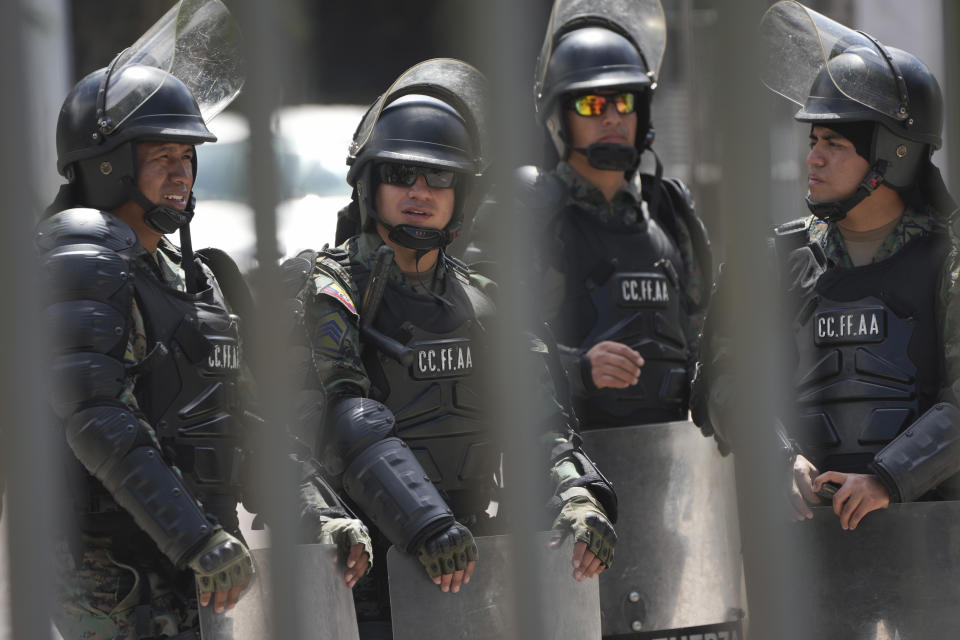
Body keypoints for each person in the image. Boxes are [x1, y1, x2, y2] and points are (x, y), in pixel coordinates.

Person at [283, 58, 618, 639]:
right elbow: (340, 418)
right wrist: (415, 522)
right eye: (402, 174)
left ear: (462, 195)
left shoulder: (488, 302)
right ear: (370, 183)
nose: (420, 192)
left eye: (439, 178)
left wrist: (578, 497)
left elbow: (541, 423)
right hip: (360, 574)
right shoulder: (333, 290)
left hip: (473, 567)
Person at [40, 57, 370, 639]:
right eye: (162, 157)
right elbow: (96, 418)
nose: (182, 172)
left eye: (188, 156)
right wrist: (193, 536)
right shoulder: (83, 262)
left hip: (203, 571)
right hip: (117, 583)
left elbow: (238, 418)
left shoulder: (188, 275)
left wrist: (317, 512)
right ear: (108, 165)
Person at [693, 1, 960, 531]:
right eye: (813, 140)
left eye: (833, 143)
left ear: (894, 155)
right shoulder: (771, 261)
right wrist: (778, 455)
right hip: (802, 550)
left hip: (928, 556)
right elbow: (720, 379)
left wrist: (889, 478)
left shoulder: (947, 264)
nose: (812, 158)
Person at [465, 0, 711, 430]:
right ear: (560, 118)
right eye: (593, 105)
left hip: (678, 477)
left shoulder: (671, 211)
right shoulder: (526, 207)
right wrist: (576, 369)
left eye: (625, 102)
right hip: (567, 479)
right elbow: (477, 339)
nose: (614, 117)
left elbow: (705, 343)